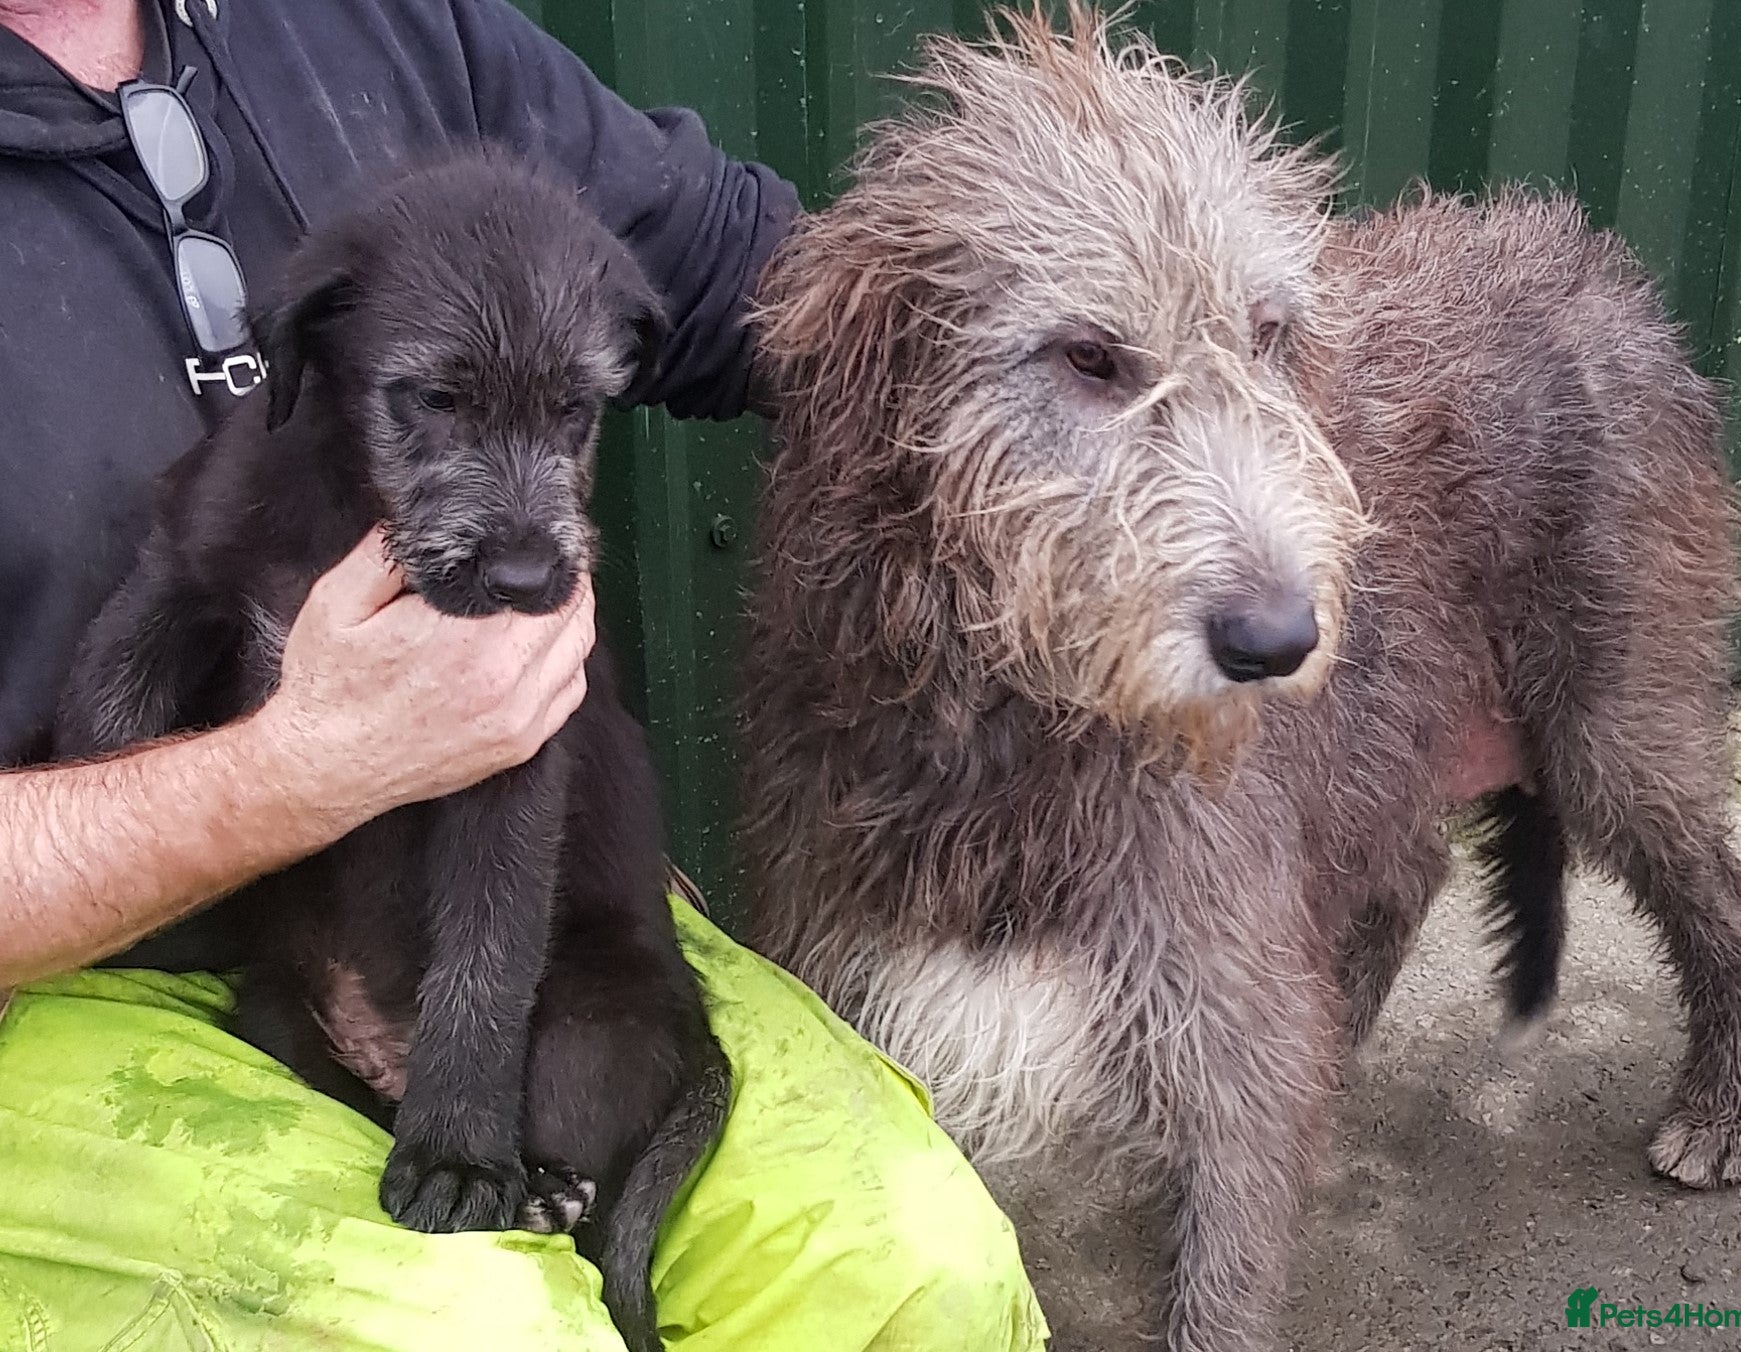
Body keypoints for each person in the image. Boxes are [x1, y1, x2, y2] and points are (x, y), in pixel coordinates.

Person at [0, 1, 1050, 1348]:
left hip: (518, 915)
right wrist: (288, 774)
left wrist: (1112, 379)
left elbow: (775, 286)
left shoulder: (380, 27)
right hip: (66, 975)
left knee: (918, 1276)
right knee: (480, 1327)